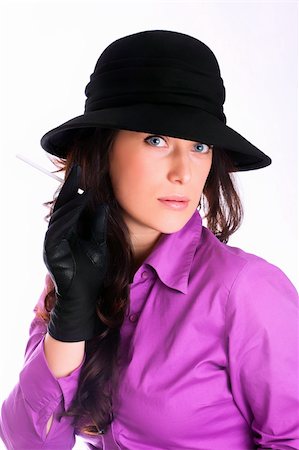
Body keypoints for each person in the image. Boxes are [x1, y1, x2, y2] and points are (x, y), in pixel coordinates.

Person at [0, 29, 298, 450]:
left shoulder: (246, 290)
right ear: (101, 150)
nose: (184, 172)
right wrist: (70, 318)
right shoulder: (75, 275)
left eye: (199, 146)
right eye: (156, 140)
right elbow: (31, 443)